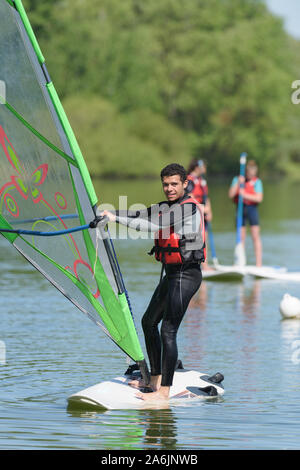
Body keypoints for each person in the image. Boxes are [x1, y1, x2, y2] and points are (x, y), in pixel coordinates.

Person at [101, 163, 205, 402]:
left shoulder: (186, 209)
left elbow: (154, 225)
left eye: (174, 184)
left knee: (168, 330)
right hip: (171, 274)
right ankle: (154, 379)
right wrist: (109, 214)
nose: (169, 188)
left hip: (186, 275)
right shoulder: (166, 206)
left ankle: (164, 393)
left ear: (185, 183)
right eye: (166, 184)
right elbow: (139, 214)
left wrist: (116, 219)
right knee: (149, 321)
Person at [228, 159, 263, 266]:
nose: (252, 174)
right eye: (250, 172)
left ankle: (258, 264)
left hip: (252, 210)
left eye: (253, 173)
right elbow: (231, 195)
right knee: (240, 237)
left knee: (255, 236)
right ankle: (240, 263)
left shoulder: (257, 182)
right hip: (240, 209)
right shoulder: (237, 179)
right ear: (246, 172)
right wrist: (238, 183)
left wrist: (245, 195)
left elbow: (259, 198)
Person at [187, 159, 213, 270]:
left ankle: (205, 265)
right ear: (197, 167)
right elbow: (189, 196)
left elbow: (206, 197)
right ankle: (193, 265)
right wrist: (202, 209)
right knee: (194, 239)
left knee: (203, 239)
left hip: (203, 212)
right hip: (194, 211)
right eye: (203, 167)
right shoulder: (189, 179)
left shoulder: (202, 181)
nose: (205, 169)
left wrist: (209, 211)